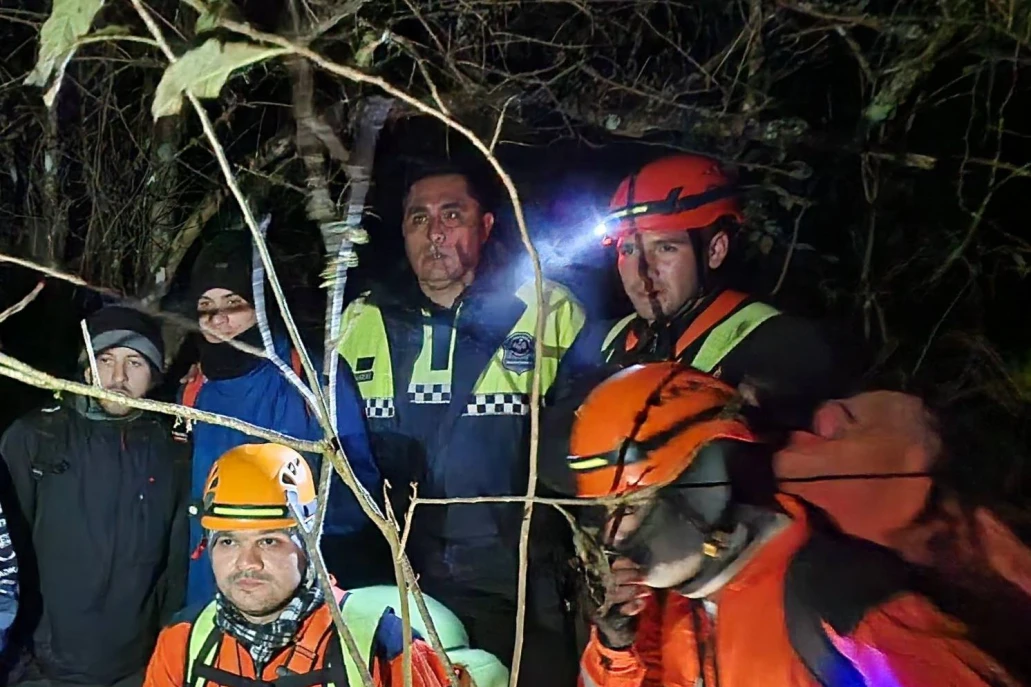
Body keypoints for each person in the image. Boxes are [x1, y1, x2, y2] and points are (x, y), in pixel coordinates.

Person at [551, 362, 1019, 687]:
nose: (613, 537)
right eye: (606, 512)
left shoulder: (843, 602)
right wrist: (615, 647)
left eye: (630, 505)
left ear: (703, 480)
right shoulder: (661, 611)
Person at [337, 161, 591, 685]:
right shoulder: (361, 321)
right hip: (399, 588)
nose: (435, 232)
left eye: (452, 214)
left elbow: (588, 453)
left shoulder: (548, 311)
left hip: (519, 589)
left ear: (487, 225)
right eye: (417, 219)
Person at [177, 230, 384, 607]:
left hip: (293, 588)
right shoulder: (194, 391)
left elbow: (357, 488)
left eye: (234, 302)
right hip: (210, 588)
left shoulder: (313, 377)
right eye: (206, 306)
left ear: (262, 303)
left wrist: (291, 536)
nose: (218, 319)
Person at [144, 443, 453, 687]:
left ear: (308, 543)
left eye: (268, 541)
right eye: (228, 541)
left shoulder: (384, 648)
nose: (246, 562)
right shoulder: (183, 641)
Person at [0, 305, 189, 687]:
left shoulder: (171, 451)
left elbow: (176, 563)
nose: (117, 377)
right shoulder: (36, 437)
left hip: (135, 666)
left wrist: (169, 644)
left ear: (154, 374)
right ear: (86, 368)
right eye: (105, 360)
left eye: (134, 362)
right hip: (41, 666)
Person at [594, 153, 853, 414]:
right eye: (628, 250)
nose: (642, 270)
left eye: (665, 248)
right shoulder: (600, 343)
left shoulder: (781, 345)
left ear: (715, 250)